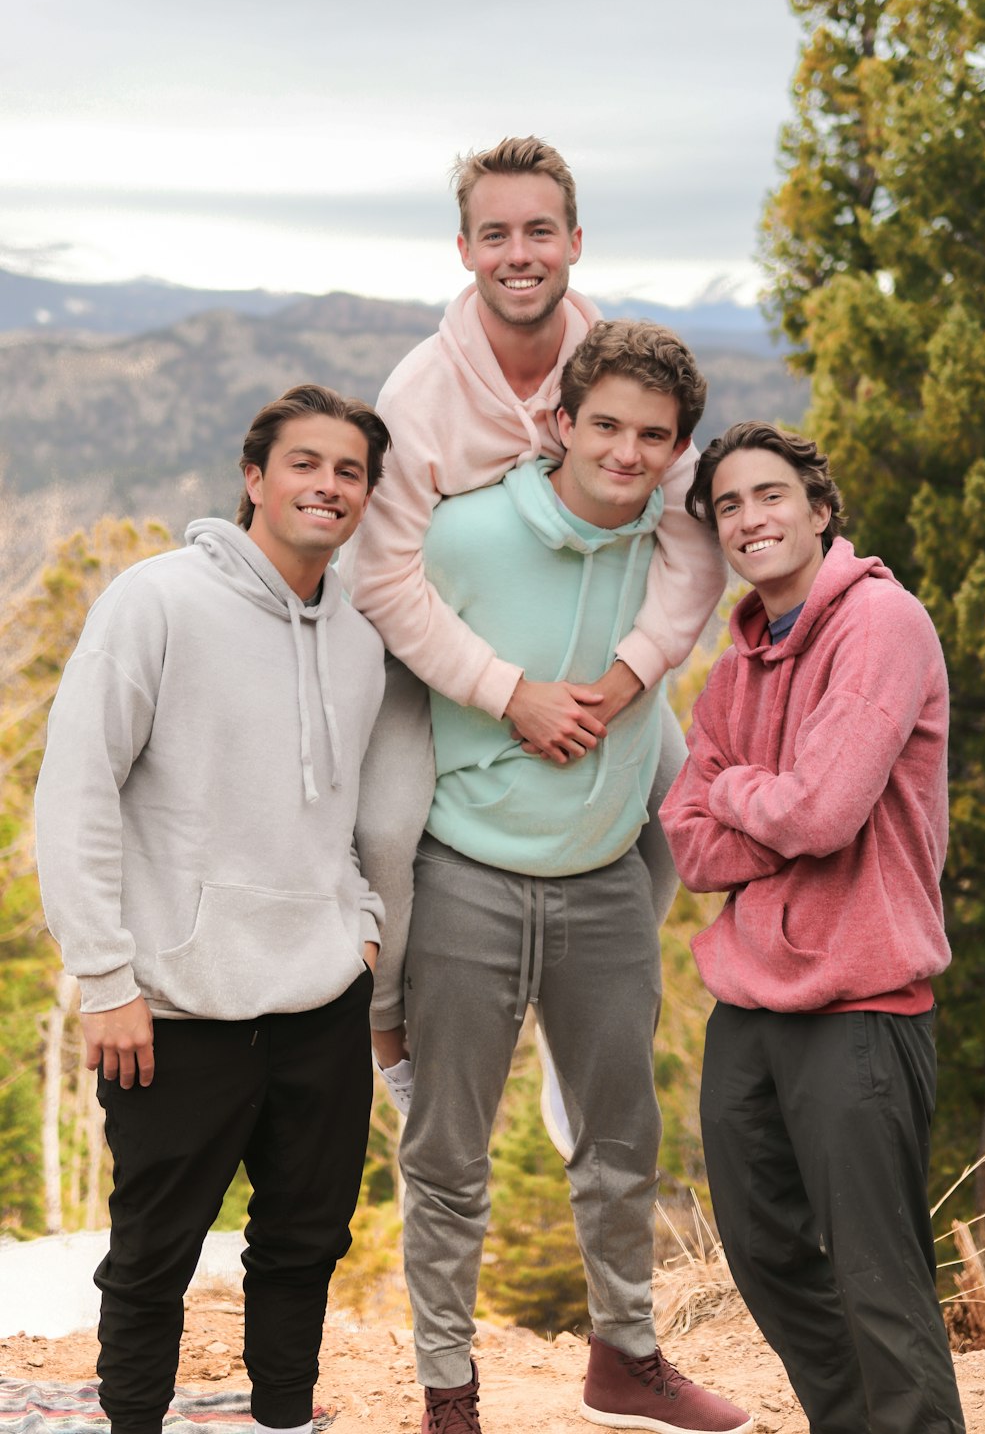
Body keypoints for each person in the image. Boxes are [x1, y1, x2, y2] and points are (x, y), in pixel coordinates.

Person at [398, 321, 753, 1434]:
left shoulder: (672, 545)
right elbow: (386, 642)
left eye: (652, 436)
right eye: (603, 424)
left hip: (603, 877)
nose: (625, 450)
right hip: (466, 873)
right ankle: (448, 1390)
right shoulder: (461, 536)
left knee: (620, 1140)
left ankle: (626, 1357)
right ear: (559, 422)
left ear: (676, 449)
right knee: (448, 1152)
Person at [340, 135, 725, 1118]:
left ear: (575, 241)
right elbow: (384, 581)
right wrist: (508, 694)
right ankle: (387, 1026)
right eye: (497, 232)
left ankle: (581, 1020)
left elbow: (691, 546)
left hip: (593, 657)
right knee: (385, 823)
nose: (521, 252)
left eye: (540, 230)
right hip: (428, 647)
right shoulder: (420, 394)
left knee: (681, 806)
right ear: (464, 248)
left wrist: (634, 671)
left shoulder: (620, 376)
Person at [34, 385, 392, 1434]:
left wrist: (359, 925)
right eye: (305, 462)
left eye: (350, 470)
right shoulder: (156, 601)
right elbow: (78, 789)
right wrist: (104, 978)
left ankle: (284, 1418)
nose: (327, 484)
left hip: (321, 992)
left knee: (306, 1238)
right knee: (155, 1250)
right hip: (174, 1005)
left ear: (366, 495)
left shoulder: (359, 643)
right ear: (253, 478)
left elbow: (349, 813)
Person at [660, 421, 965, 1434]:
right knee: (765, 1251)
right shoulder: (738, 665)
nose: (750, 517)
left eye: (770, 494)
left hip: (861, 1001)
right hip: (747, 1005)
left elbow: (824, 811)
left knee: (878, 1275)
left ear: (818, 507)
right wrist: (773, 805)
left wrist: (742, 792)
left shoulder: (879, 623)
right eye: (729, 505)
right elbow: (690, 846)